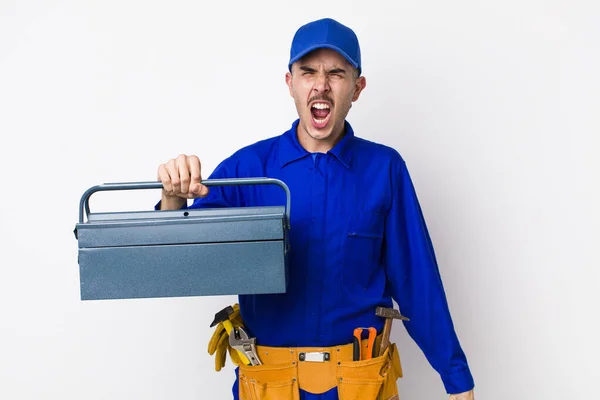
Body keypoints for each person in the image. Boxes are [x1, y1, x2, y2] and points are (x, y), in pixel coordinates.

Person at [156, 17, 475, 400]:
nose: (320, 84)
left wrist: (457, 380)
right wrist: (173, 198)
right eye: (308, 72)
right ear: (290, 83)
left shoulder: (384, 170)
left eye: (336, 73)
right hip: (269, 385)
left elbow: (418, 282)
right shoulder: (248, 170)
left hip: (361, 384)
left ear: (357, 88)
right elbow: (178, 260)